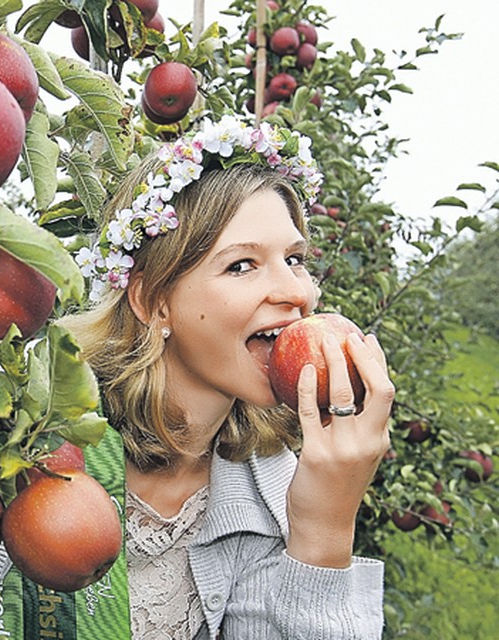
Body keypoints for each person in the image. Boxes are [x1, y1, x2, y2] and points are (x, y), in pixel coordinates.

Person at [56, 114, 395, 639]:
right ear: (152, 301)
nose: (297, 293)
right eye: (242, 265)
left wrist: (324, 529)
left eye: (296, 259)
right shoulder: (40, 442)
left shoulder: (272, 482)